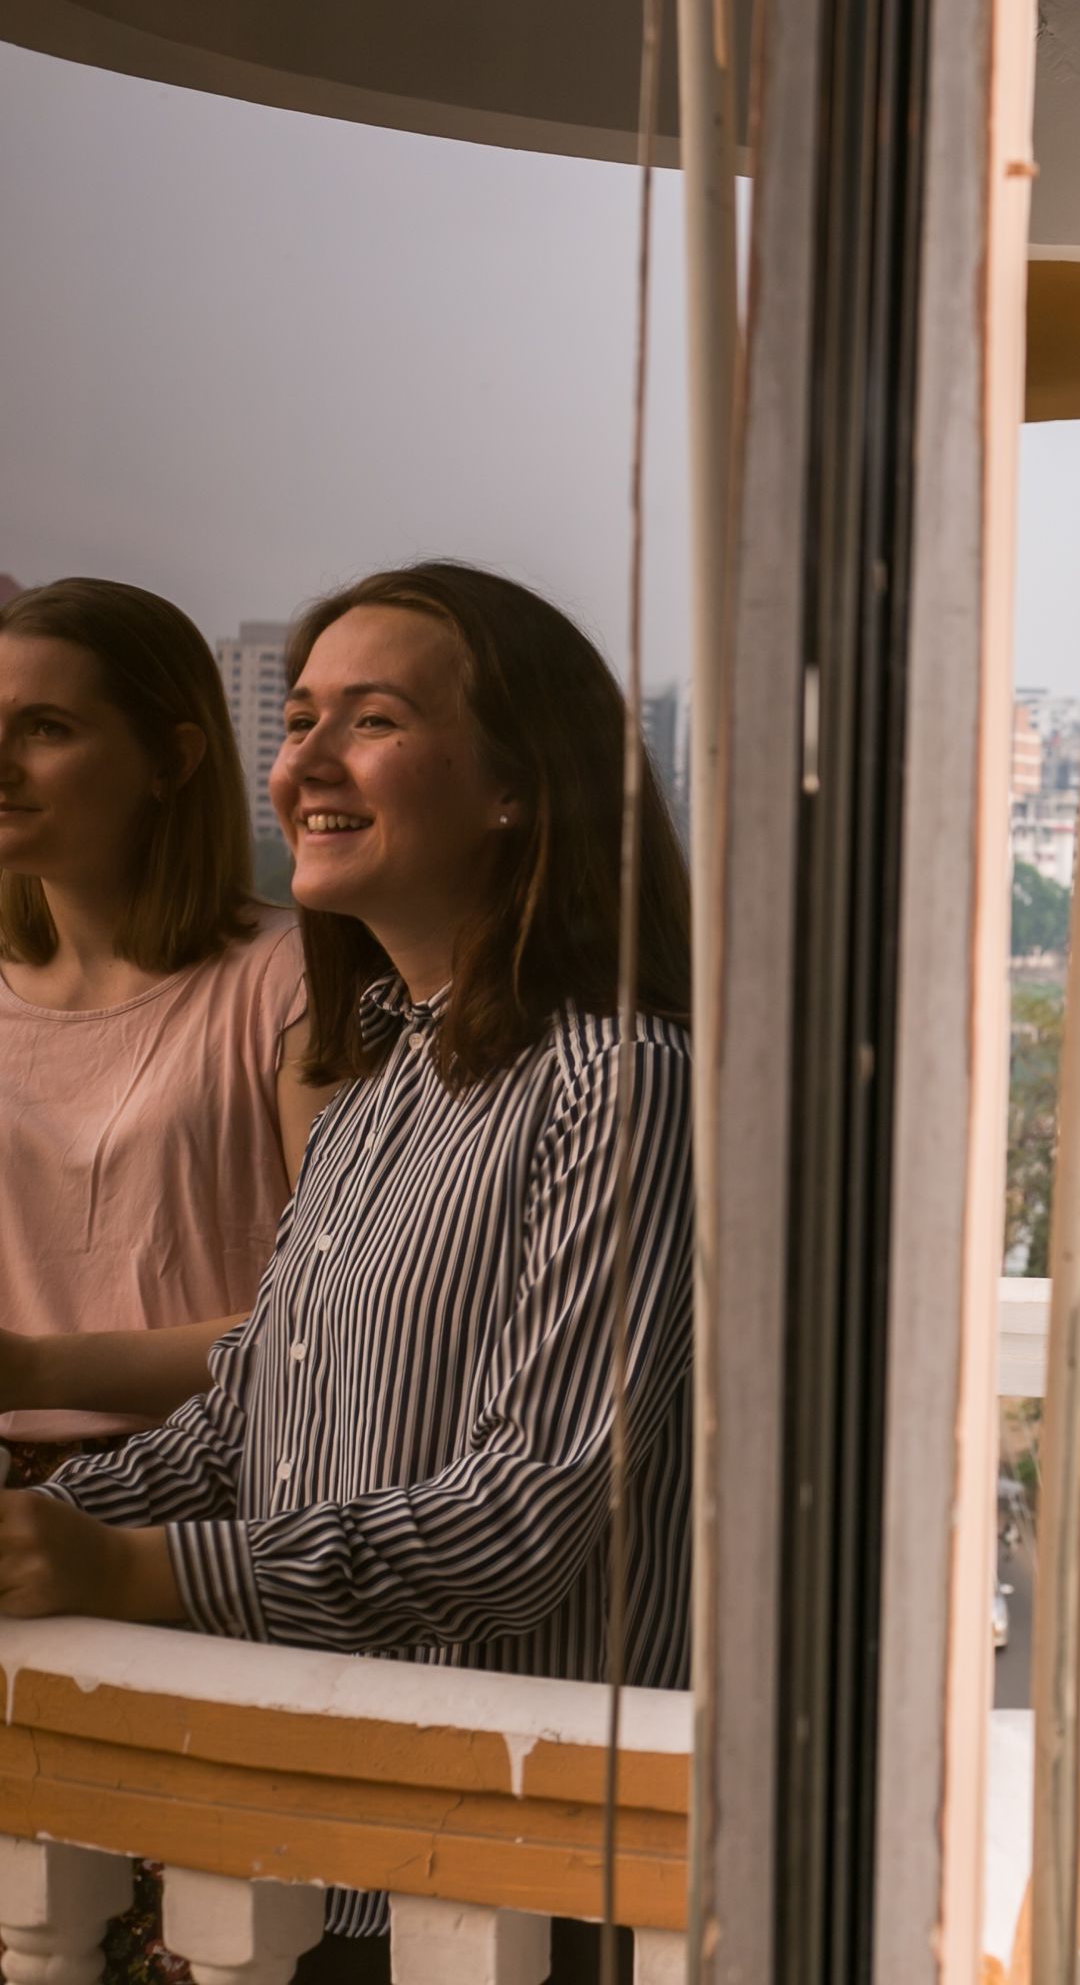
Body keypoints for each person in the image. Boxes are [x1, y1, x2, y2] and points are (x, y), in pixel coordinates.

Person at [0, 563, 695, 1977]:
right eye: (300, 717)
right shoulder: (383, 1082)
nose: (305, 760)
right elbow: (244, 1424)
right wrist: (46, 1520)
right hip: (336, 1848)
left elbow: (531, 1511)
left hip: (514, 1879)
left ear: (520, 786)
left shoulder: (623, 1082)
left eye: (368, 720)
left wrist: (133, 1569)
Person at [0, 578, 339, 1484]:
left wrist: (32, 1369)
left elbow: (341, 1321)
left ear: (174, 759)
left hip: (211, 1497)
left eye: (46, 728)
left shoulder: (290, 977)